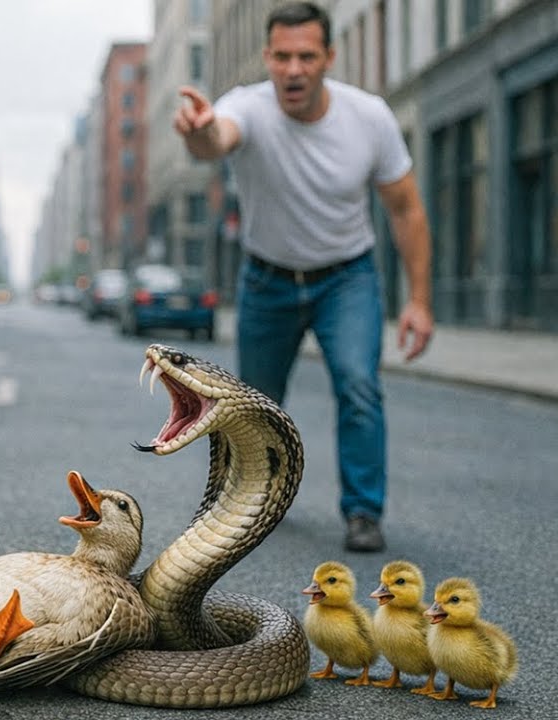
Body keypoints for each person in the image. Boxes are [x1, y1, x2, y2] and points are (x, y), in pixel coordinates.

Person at [173, 1, 433, 552]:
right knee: (254, 404)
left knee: (359, 387)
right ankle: (247, 500)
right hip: (267, 281)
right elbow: (214, 139)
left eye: (307, 57)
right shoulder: (247, 106)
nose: (294, 70)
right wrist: (197, 132)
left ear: (328, 58)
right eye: (283, 57)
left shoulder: (369, 118)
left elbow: (406, 209)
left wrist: (420, 302)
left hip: (346, 279)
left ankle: (363, 512)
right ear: (267, 57)